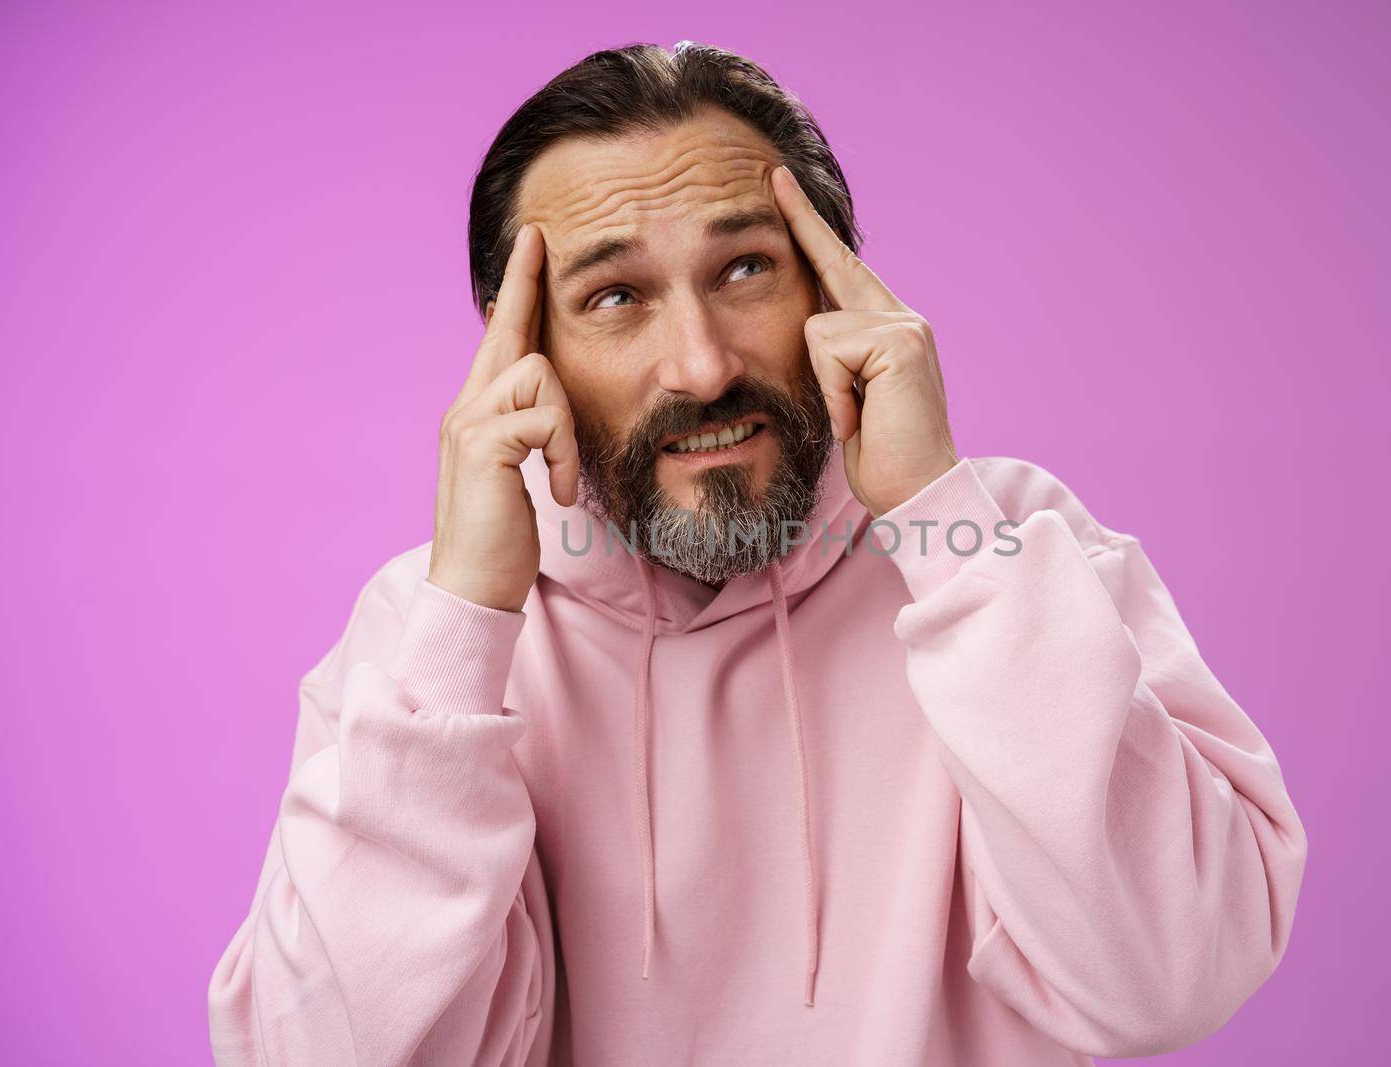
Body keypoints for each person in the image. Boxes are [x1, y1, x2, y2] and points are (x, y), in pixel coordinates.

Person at [207, 41, 1307, 1067]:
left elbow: (1172, 975)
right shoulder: (428, 629)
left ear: (837, 291)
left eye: (743, 270)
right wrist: (467, 621)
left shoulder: (1002, 541)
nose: (698, 364)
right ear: (520, 345)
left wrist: (940, 524)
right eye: (615, 296)